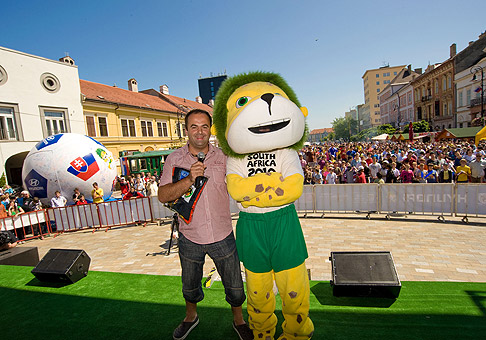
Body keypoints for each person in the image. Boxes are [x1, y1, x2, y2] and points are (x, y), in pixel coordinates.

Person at [157, 109, 251, 340]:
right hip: (190, 235)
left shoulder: (224, 158)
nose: (199, 132)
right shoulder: (174, 159)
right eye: (194, 127)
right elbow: (163, 195)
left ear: (210, 129)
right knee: (189, 286)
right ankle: (191, 317)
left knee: (236, 287)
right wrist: (189, 179)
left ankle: (239, 320)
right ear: (186, 130)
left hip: (223, 234)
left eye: (204, 127)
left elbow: (240, 187)